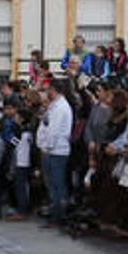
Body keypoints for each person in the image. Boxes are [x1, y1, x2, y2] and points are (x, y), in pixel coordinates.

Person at [36, 78, 75, 224]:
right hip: (50, 149)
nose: (46, 92)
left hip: (56, 150)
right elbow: (46, 124)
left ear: (53, 90)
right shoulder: (53, 106)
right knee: (51, 183)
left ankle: (58, 214)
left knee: (56, 183)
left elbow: (54, 130)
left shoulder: (61, 107)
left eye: (48, 89)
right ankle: (54, 210)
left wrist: (47, 146)